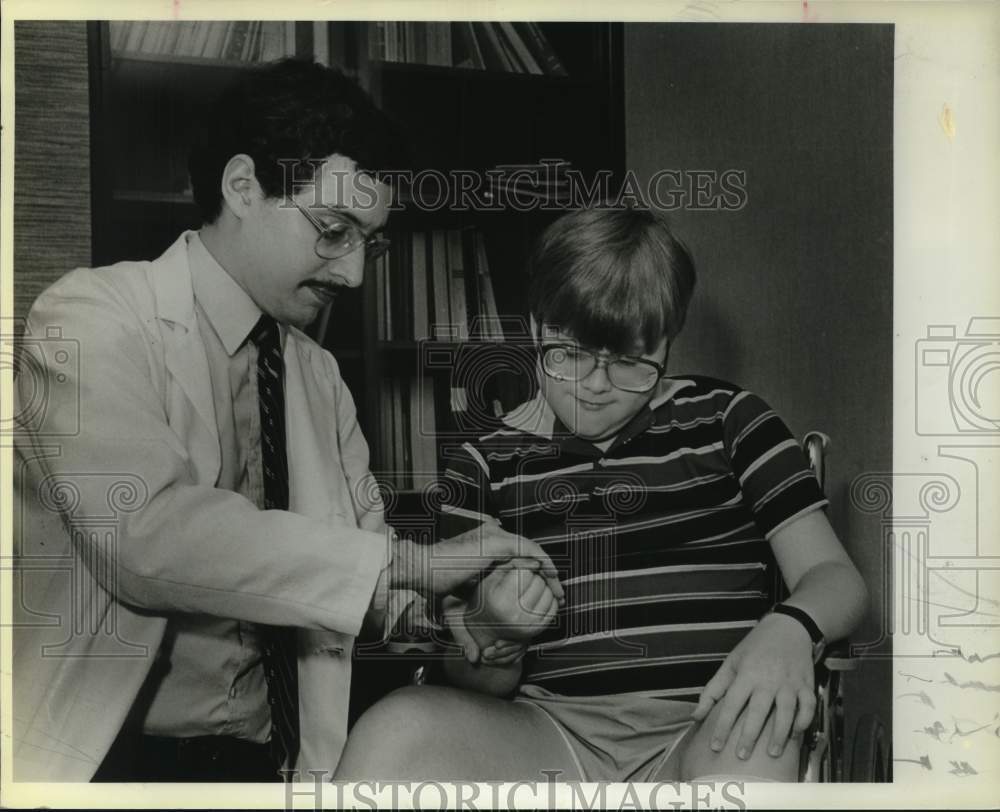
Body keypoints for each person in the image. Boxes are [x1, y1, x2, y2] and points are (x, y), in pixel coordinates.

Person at [11, 58, 560, 783]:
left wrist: (465, 620)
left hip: (272, 766)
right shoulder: (86, 318)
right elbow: (147, 537)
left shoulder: (319, 375)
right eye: (333, 229)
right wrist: (413, 565)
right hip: (109, 763)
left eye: (372, 241)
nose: (355, 274)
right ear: (243, 187)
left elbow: (359, 572)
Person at [335, 205, 869, 782]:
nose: (594, 386)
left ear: (667, 341)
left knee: (757, 735)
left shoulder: (730, 420)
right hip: (547, 735)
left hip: (709, 720)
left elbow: (837, 579)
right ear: (537, 326)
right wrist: (496, 634)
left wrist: (790, 628)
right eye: (568, 355)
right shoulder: (482, 464)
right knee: (394, 730)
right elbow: (471, 677)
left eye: (629, 363)